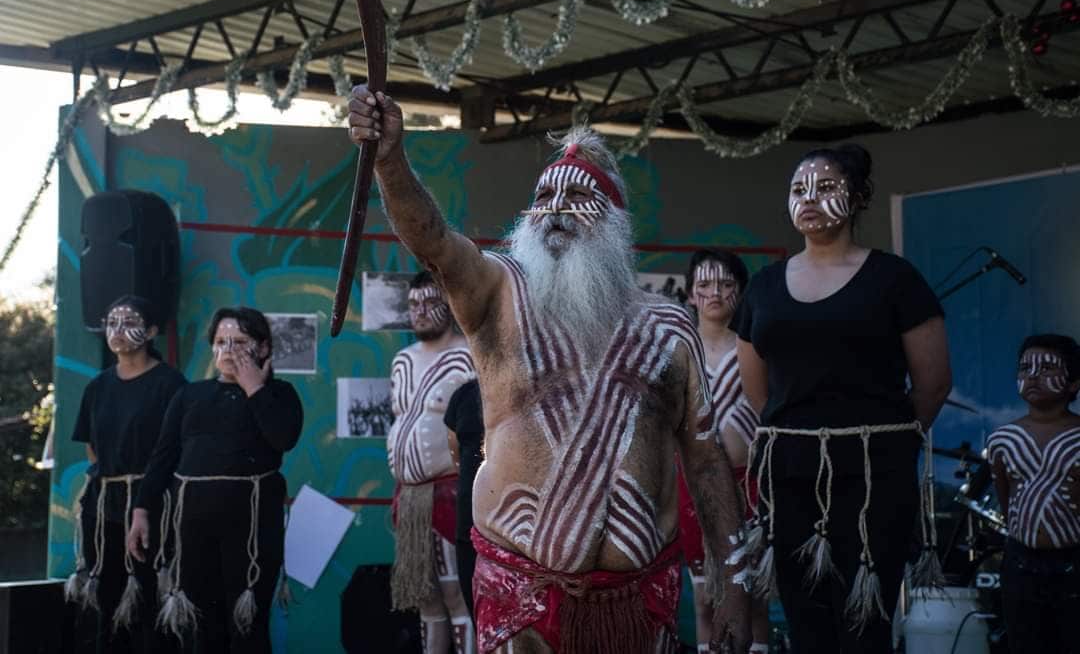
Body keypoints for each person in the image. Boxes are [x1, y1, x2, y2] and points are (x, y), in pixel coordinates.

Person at [347, 86, 749, 653]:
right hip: (521, 598)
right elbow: (431, 239)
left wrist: (733, 583)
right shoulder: (496, 292)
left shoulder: (668, 329)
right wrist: (390, 160)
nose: (556, 208)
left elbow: (707, 465)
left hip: (641, 597)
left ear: (613, 221)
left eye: (578, 197)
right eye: (544, 196)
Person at [731, 144, 952, 653]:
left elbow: (933, 383)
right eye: (797, 190)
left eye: (825, 187)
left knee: (863, 619)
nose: (808, 199)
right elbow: (758, 391)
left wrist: (882, 441)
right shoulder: (764, 288)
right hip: (788, 474)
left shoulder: (895, 279)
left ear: (855, 198)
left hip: (874, 474)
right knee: (805, 615)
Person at [126, 306, 303, 653]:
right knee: (203, 628)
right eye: (221, 341)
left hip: (251, 528)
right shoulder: (190, 395)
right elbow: (162, 458)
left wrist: (254, 387)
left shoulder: (280, 394)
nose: (227, 350)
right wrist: (141, 510)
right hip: (194, 530)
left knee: (247, 626)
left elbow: (283, 438)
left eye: (239, 341)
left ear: (263, 348)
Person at [67, 295, 186, 653]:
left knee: (152, 600)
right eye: (112, 322)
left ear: (150, 331)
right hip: (104, 506)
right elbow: (92, 447)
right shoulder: (97, 387)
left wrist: (146, 495)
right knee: (107, 600)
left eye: (129, 321)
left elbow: (174, 451)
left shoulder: (170, 384)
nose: (118, 330)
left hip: (155, 504)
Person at [681, 249, 771, 653]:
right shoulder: (679, 352)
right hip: (693, 490)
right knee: (704, 599)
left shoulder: (757, 349)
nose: (714, 292)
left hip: (750, 485)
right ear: (690, 294)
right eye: (704, 285)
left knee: (753, 598)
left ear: (741, 291)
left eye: (726, 284)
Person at [387, 272, 477, 654]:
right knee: (426, 598)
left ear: (451, 304)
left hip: (452, 493)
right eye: (413, 304)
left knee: (457, 592)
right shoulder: (402, 360)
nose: (420, 311)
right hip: (410, 496)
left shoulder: (469, 356)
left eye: (430, 302)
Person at [987, 334, 1080, 654]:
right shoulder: (1003, 439)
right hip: (1020, 562)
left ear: (1074, 384)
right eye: (1025, 368)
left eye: (1048, 368)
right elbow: (1006, 497)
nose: (1033, 376)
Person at [443, 378, 484, 622]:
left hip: (514, 532)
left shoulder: (527, 387)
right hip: (469, 524)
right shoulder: (465, 394)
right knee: (475, 612)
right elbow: (455, 454)